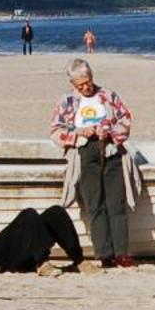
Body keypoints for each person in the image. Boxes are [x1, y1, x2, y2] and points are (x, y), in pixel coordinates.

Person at [50, 59, 138, 266]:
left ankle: (122, 253)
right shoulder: (67, 102)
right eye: (80, 85)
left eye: (88, 82)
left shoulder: (108, 96)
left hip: (110, 149)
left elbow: (126, 119)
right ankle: (104, 254)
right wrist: (77, 133)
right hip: (84, 152)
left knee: (116, 202)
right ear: (73, 85)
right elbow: (55, 131)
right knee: (94, 203)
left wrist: (109, 132)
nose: (86, 87)